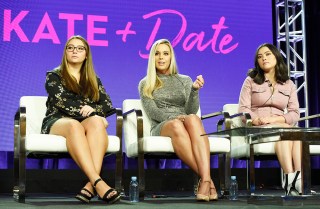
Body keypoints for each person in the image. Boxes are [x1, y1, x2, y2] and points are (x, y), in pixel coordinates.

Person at [41, 35, 121, 204]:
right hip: (57, 120)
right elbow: (62, 102)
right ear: (65, 53)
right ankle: (98, 182)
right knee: (74, 125)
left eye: (80, 48)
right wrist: (93, 113)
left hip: (83, 121)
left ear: (86, 54)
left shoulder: (93, 79)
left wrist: (96, 113)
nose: (75, 51)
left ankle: (89, 187)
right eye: (70, 47)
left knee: (97, 122)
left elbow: (106, 105)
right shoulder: (54, 76)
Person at [139, 39, 217, 202]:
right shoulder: (146, 83)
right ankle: (208, 179)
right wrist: (175, 117)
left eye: (165, 54)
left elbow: (190, 111)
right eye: (157, 54)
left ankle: (205, 180)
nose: (161, 57)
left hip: (186, 123)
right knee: (176, 124)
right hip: (162, 125)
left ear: (171, 57)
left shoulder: (185, 80)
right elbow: (153, 112)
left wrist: (195, 90)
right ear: (152, 57)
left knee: (193, 118)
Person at [238, 43, 301, 196]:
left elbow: (294, 113)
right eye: (260, 57)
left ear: (276, 57)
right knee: (288, 131)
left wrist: (278, 119)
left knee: (295, 133)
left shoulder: (289, 84)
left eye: (267, 54)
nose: (263, 58)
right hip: (258, 128)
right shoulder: (250, 81)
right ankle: (295, 181)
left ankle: (295, 179)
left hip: (280, 127)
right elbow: (243, 110)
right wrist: (257, 120)